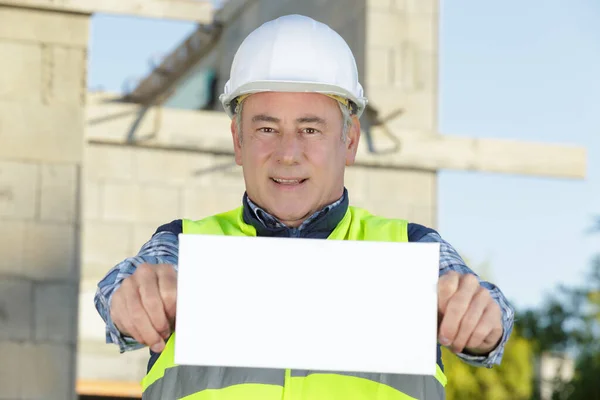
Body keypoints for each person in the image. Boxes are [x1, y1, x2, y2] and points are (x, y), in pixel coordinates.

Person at [94, 14, 515, 400]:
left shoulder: (411, 249)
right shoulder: (185, 245)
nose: (288, 153)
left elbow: (486, 311)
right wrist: (129, 300)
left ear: (348, 142)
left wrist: (483, 320)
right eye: (266, 128)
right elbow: (118, 292)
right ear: (238, 142)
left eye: (310, 129)